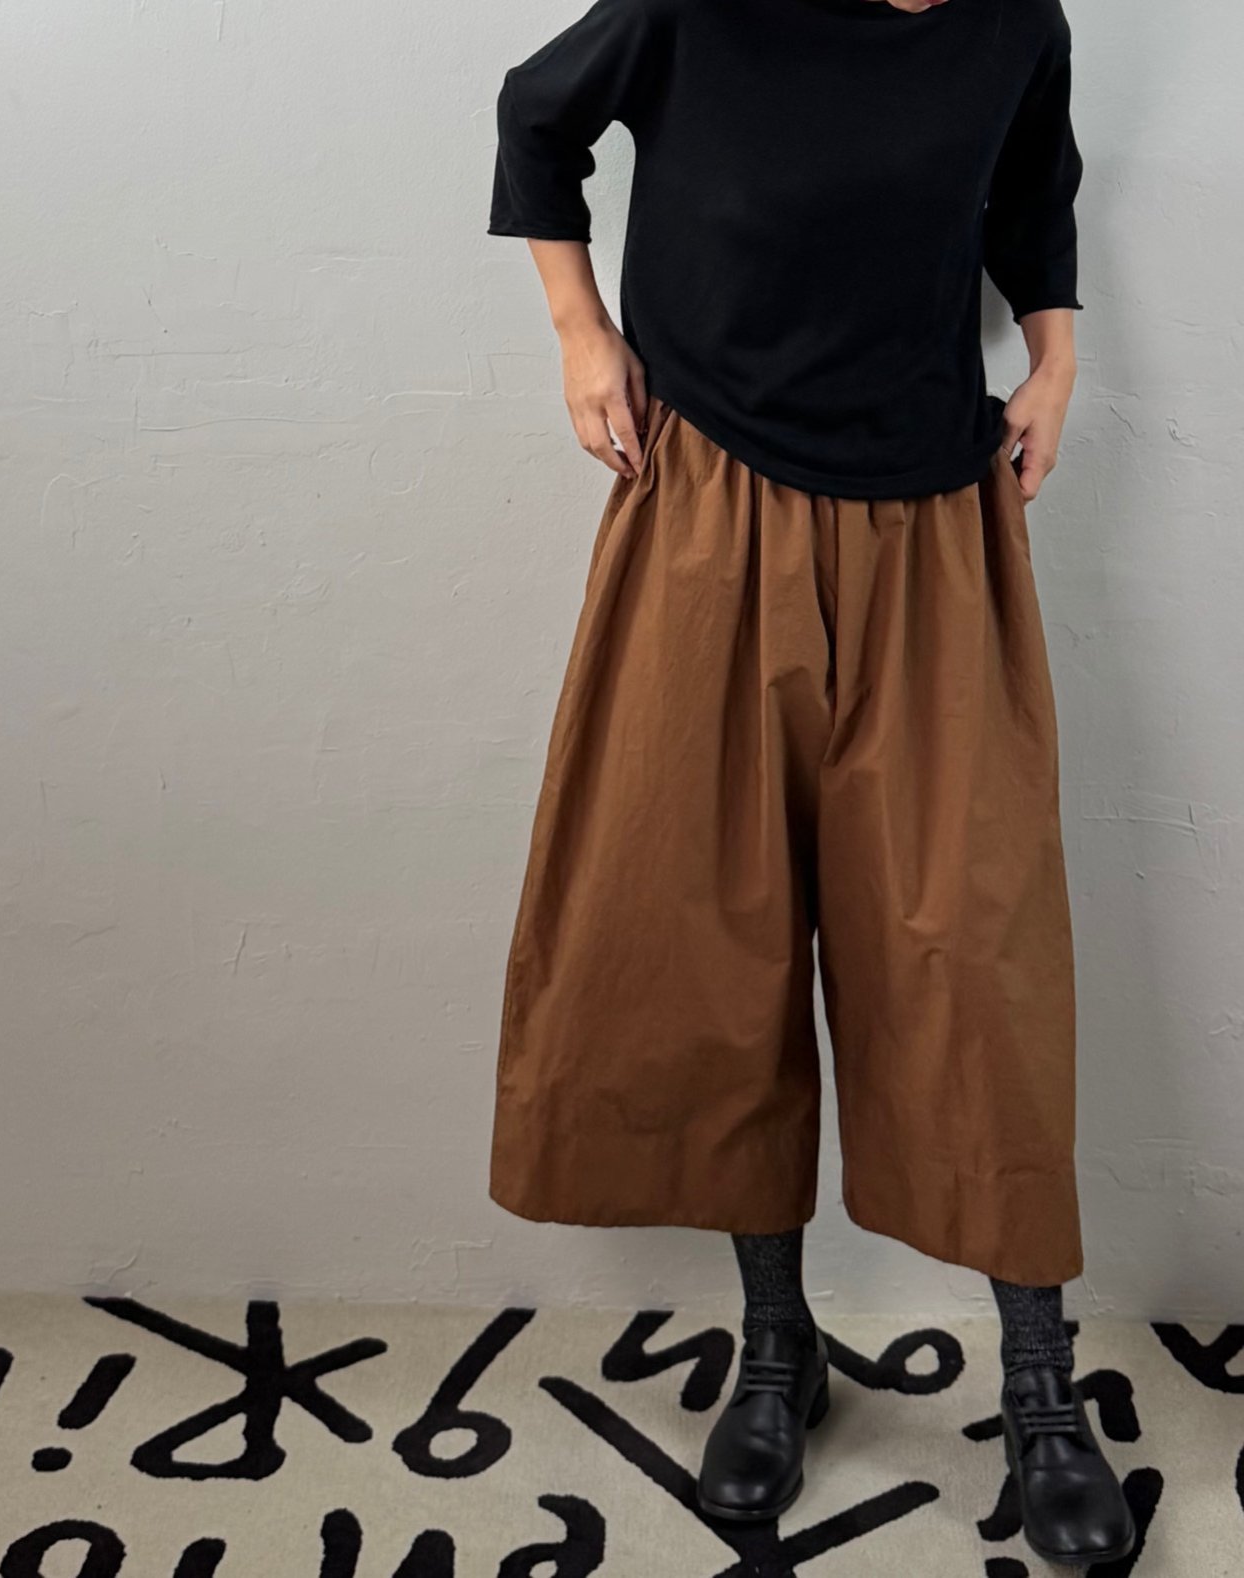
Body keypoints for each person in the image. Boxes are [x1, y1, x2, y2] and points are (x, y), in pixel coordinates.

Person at [483, 0, 1134, 1563]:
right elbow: (534, 115)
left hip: (934, 523)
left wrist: (1056, 361)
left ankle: (1038, 1379)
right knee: (722, 932)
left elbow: (1033, 195)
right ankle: (779, 1345)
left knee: (973, 953)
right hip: (708, 500)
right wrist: (581, 332)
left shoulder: (1014, 23)